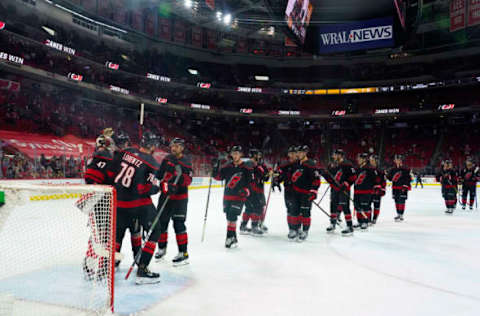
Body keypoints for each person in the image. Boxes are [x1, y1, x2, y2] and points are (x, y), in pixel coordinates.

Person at [109, 131, 162, 284]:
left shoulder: (126, 152)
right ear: (152, 147)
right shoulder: (152, 162)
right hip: (137, 204)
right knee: (155, 230)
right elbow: (147, 188)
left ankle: (110, 263)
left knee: (117, 234)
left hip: (118, 202)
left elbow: (112, 171)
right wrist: (157, 188)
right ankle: (143, 267)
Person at [155, 138, 193, 265]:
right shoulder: (167, 159)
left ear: (182, 148)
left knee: (178, 225)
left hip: (180, 199)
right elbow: (159, 175)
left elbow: (188, 180)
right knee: (162, 223)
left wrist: (178, 184)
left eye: (176, 146)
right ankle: (162, 248)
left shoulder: (186, 162)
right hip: (165, 197)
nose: (173, 148)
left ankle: (183, 252)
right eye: (172, 146)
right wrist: (162, 184)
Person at [213, 146, 253, 248]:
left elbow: (250, 182)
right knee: (229, 218)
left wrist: (246, 190)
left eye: (237, 153)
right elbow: (218, 177)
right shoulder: (227, 167)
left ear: (241, 155)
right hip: (227, 196)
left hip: (239, 197)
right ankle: (234, 238)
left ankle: (229, 238)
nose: (235, 155)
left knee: (232, 216)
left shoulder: (246, 167)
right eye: (233, 153)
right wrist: (215, 167)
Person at [288, 145, 320, 241]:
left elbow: (316, 179)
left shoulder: (311, 164)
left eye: (301, 152)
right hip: (295, 192)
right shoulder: (296, 164)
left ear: (305, 153)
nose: (298, 154)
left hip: (306, 193)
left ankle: (305, 231)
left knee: (305, 212)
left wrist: (314, 191)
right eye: (298, 152)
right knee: (294, 211)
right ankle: (295, 229)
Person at [322, 149, 356, 236]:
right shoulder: (332, 165)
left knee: (345, 206)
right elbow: (330, 179)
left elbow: (353, 176)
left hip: (343, 189)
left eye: (335, 154)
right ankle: (332, 224)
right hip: (334, 189)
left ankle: (349, 226)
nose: (334, 156)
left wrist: (347, 183)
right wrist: (325, 174)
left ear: (340, 155)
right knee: (333, 205)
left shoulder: (347, 164)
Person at [240, 149, 268, 236]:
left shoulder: (259, 164)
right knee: (256, 207)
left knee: (253, 207)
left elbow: (265, 177)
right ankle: (254, 226)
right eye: (257, 155)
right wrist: (261, 170)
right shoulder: (249, 164)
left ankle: (246, 226)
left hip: (258, 189)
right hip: (252, 190)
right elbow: (252, 176)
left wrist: (268, 173)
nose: (259, 156)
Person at [273, 146, 297, 233]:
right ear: (288, 154)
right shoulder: (285, 165)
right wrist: (276, 180)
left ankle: (297, 228)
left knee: (298, 210)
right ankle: (291, 229)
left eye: (294, 153)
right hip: (288, 190)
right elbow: (279, 176)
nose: (292, 155)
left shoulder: (300, 164)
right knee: (290, 209)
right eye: (291, 153)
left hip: (299, 191)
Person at [352, 153, 376, 231]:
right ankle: (360, 222)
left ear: (364, 159)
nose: (358, 160)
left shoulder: (370, 168)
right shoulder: (357, 168)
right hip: (357, 191)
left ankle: (365, 221)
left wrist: (374, 188)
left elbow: (375, 180)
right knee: (357, 206)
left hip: (366, 191)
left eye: (360, 158)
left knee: (365, 206)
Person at [386, 154, 412, 222]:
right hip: (395, 188)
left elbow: (409, 178)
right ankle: (398, 214)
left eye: (398, 159)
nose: (396, 161)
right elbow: (390, 178)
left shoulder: (406, 169)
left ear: (400, 160)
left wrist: (406, 186)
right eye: (396, 159)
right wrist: (386, 175)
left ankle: (401, 215)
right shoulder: (392, 169)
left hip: (402, 187)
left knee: (401, 201)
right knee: (396, 200)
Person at [369, 154, 386, 225]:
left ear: (376, 161)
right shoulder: (368, 169)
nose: (371, 162)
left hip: (377, 191)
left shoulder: (381, 171)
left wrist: (383, 190)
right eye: (370, 160)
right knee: (368, 205)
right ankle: (368, 218)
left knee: (376, 205)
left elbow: (384, 181)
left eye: (372, 160)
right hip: (369, 191)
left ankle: (374, 218)